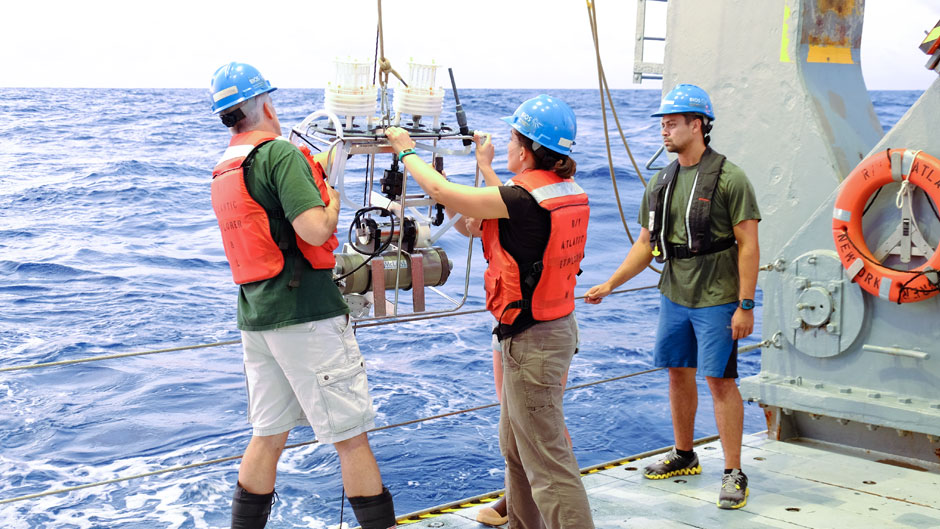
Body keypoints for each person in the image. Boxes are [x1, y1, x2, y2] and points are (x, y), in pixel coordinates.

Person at [385, 94, 594, 529]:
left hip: (532, 342)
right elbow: (498, 208)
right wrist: (485, 165)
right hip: (548, 330)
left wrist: (405, 149)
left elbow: (443, 192)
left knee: (549, 466)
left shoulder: (522, 199)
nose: (510, 145)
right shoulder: (561, 191)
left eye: (515, 138)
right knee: (517, 447)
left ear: (529, 149)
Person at [208, 62, 397, 529]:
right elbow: (315, 229)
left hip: (257, 317)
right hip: (306, 316)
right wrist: (332, 197)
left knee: (268, 435)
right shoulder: (280, 155)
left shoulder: (226, 165)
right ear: (265, 104)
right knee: (351, 436)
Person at [585, 83, 760, 510]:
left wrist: (745, 304)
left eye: (672, 124)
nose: (664, 132)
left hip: (718, 298)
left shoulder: (731, 178)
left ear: (697, 125)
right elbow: (646, 244)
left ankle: (734, 472)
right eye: (662, 125)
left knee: (720, 381)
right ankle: (685, 455)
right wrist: (610, 283)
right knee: (677, 372)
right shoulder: (661, 181)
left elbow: (749, 245)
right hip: (674, 295)